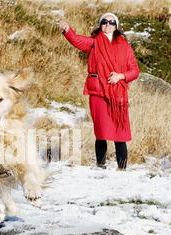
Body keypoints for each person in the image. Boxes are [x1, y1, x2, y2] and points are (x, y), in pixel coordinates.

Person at [59, 13, 140, 170]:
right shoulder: (94, 42)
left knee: (120, 132)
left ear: (116, 26)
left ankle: (122, 168)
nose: (107, 24)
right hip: (98, 91)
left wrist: (121, 76)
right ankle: (100, 166)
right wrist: (67, 30)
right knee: (101, 130)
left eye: (111, 22)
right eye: (104, 22)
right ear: (100, 24)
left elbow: (135, 70)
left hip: (118, 93)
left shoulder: (125, 46)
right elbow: (77, 40)